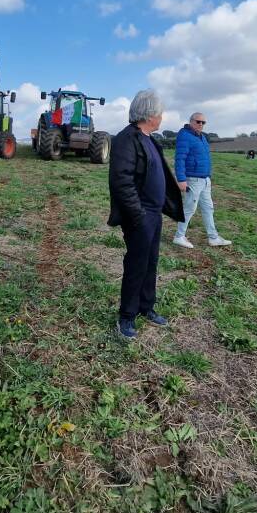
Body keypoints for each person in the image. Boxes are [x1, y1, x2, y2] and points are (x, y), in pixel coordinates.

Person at [108, 90, 184, 340]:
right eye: (160, 112)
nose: (162, 117)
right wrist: (138, 214)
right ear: (150, 114)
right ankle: (127, 317)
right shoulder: (126, 139)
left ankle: (146, 306)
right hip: (139, 216)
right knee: (136, 264)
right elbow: (122, 181)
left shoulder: (150, 139)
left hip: (154, 214)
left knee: (151, 261)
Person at [172, 112, 232, 249]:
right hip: (193, 179)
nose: (201, 124)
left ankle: (213, 237)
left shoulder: (202, 137)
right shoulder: (185, 136)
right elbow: (180, 159)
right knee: (189, 208)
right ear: (191, 121)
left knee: (208, 208)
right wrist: (181, 179)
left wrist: (208, 176)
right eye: (198, 121)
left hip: (204, 180)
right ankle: (179, 236)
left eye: (203, 122)